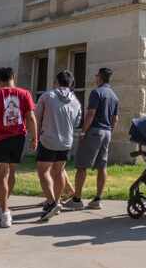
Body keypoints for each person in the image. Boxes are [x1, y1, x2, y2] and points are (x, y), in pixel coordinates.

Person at [0, 67, 38, 228]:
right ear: (13, 77)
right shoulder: (24, 93)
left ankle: (5, 211)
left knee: (2, 173)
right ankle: (3, 205)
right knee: (11, 172)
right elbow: (31, 117)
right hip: (19, 138)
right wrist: (35, 137)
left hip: (0, 138)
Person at [66, 67, 119, 210]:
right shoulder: (114, 96)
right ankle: (97, 199)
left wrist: (83, 132)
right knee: (102, 166)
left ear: (100, 77)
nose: (95, 78)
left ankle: (77, 200)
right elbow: (115, 118)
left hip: (94, 131)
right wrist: (110, 131)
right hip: (107, 131)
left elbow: (91, 114)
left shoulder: (97, 92)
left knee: (82, 165)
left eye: (96, 76)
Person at [35, 70, 82, 221]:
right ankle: (57, 200)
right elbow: (76, 123)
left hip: (48, 139)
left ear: (56, 81)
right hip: (66, 142)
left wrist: (35, 137)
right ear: (71, 84)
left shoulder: (47, 96)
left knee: (43, 172)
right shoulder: (76, 101)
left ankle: (51, 202)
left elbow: (37, 117)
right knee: (59, 171)